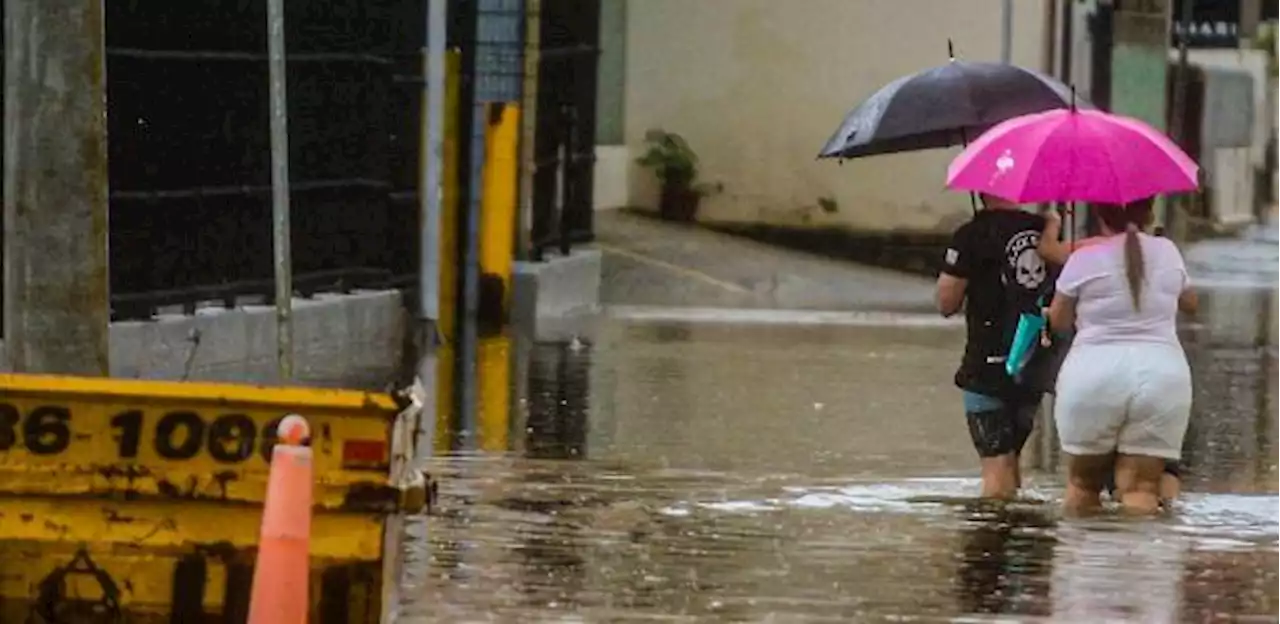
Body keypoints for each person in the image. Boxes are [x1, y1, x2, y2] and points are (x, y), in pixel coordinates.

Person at [1046, 199, 1198, 515]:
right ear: (1150, 211)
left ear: (1099, 213)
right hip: (1162, 376)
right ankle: (1137, 564)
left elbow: (1059, 321)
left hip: (1092, 375)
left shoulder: (1083, 258)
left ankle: (1088, 564)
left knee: (1083, 487)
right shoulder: (1167, 251)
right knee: (1142, 490)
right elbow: (1191, 303)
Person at [937, 193, 1055, 500]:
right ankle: (1020, 540)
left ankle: (993, 541)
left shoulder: (970, 235)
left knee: (996, 465)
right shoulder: (1044, 230)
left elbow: (947, 303)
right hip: (1031, 362)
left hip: (986, 363)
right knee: (1011, 458)